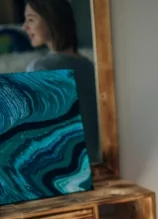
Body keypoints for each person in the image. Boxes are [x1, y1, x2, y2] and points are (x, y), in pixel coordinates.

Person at [22, 0, 100, 164]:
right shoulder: (90, 66)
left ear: (51, 19)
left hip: (54, 170)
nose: (24, 27)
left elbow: (30, 135)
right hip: (94, 165)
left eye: (30, 20)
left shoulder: (40, 67)